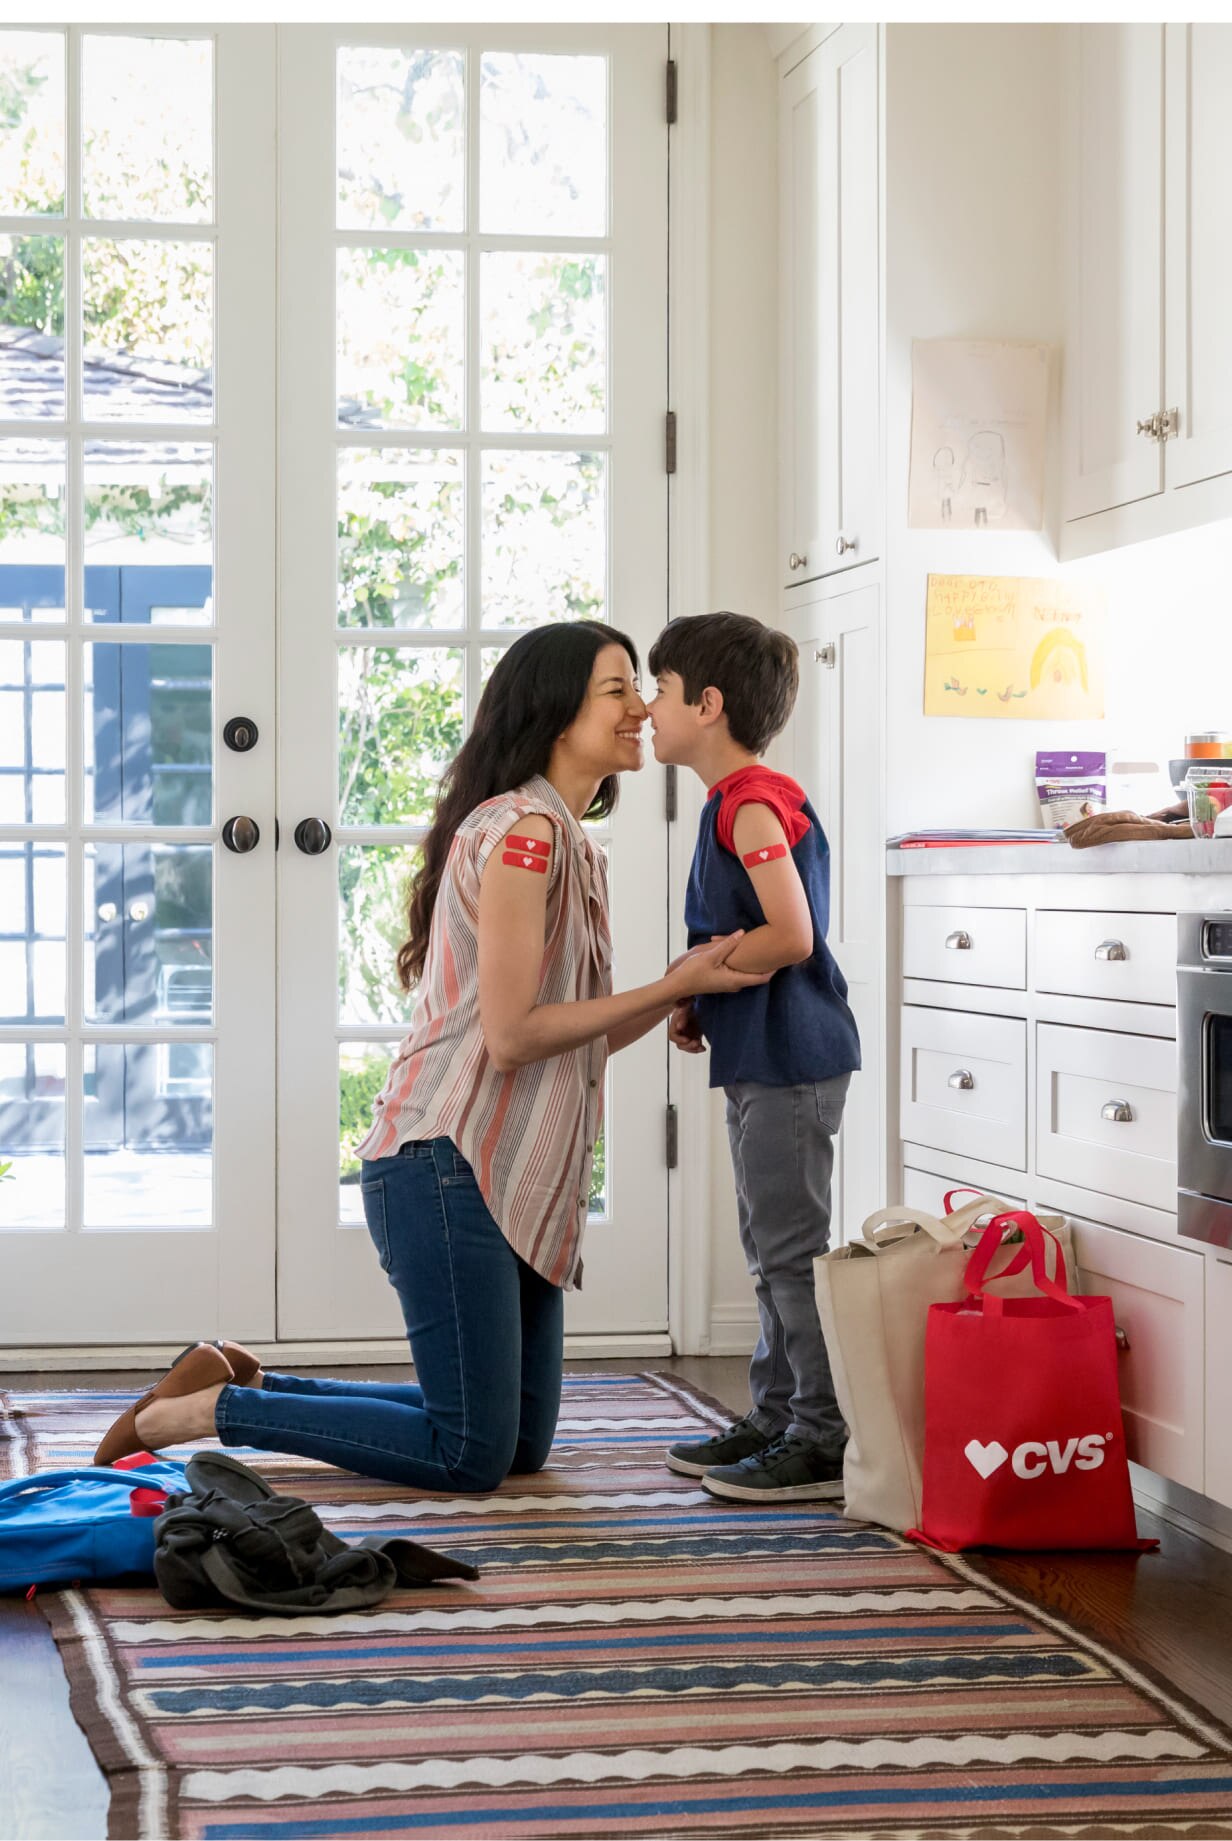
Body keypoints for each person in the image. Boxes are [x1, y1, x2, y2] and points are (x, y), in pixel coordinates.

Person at [94, 621, 767, 1488]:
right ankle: (203, 1413)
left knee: (514, 1444)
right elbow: (515, 1033)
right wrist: (672, 978)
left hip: (497, 1172)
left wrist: (679, 988)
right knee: (469, 1451)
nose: (641, 705)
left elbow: (580, 1033)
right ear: (556, 712)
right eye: (617, 689)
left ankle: (245, 1377)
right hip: (447, 1168)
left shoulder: (570, 840)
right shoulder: (526, 833)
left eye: (640, 687)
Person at [646, 611, 861, 1502]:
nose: (645, 711)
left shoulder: (753, 805)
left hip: (792, 1056)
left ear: (707, 704)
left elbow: (792, 934)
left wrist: (706, 971)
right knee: (768, 1243)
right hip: (762, 1054)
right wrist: (700, 997)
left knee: (790, 1249)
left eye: (656, 692)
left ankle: (820, 1433)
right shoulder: (732, 802)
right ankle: (776, 1414)